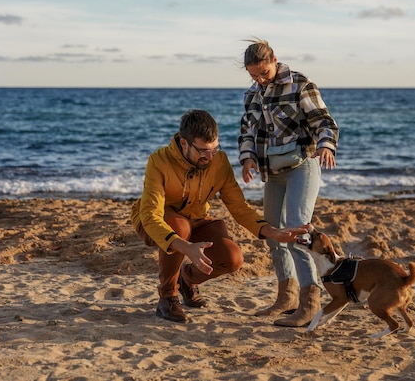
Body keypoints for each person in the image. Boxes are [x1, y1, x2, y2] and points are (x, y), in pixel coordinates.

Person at [131, 109, 307, 323]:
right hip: (156, 222)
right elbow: (151, 215)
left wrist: (272, 232)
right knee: (180, 228)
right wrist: (185, 246)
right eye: (203, 151)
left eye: (215, 149)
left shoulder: (219, 162)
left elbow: (238, 206)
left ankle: (187, 279)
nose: (210, 156)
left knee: (233, 259)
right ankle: (167, 297)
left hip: (197, 219)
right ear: (184, 144)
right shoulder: (158, 161)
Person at [238, 38, 339, 327]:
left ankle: (310, 303)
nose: (259, 79)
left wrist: (327, 146)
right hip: (274, 173)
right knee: (272, 232)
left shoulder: (300, 85)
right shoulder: (252, 94)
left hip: (302, 166)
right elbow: (247, 130)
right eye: (253, 75)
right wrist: (247, 159)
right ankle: (287, 297)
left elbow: (323, 121)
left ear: (274, 61)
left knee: (296, 229)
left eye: (263, 73)